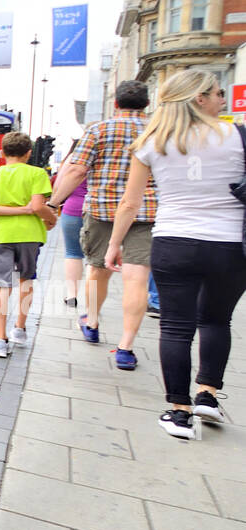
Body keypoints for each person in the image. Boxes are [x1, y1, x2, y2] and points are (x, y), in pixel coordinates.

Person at [102, 69, 244, 440]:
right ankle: (208, 395)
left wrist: (115, 244)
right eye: (217, 93)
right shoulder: (239, 136)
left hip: (174, 242)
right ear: (199, 99)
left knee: (176, 327)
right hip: (229, 245)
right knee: (216, 321)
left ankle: (179, 412)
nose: (222, 99)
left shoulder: (152, 141)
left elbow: (130, 203)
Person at [47, 80, 157, 368]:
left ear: (116, 104)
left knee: (97, 269)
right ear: (147, 104)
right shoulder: (159, 129)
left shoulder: (99, 130)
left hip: (102, 212)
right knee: (137, 279)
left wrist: (54, 202)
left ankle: (92, 323)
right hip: (146, 215)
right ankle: (125, 347)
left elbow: (77, 170)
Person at [0, 131, 56, 358]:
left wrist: (17, 210)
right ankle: (20, 329)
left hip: (1, 235)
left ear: (2, 153)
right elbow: (37, 206)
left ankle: (0, 340)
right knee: (26, 281)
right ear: (29, 153)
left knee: (2, 286)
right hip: (30, 235)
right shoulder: (37, 173)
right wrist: (50, 218)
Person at [57, 139, 87, 309]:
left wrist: (54, 203)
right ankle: (93, 298)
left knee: (73, 253)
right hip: (98, 210)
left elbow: (60, 184)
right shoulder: (103, 157)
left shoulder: (73, 159)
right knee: (95, 259)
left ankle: (71, 295)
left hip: (73, 209)